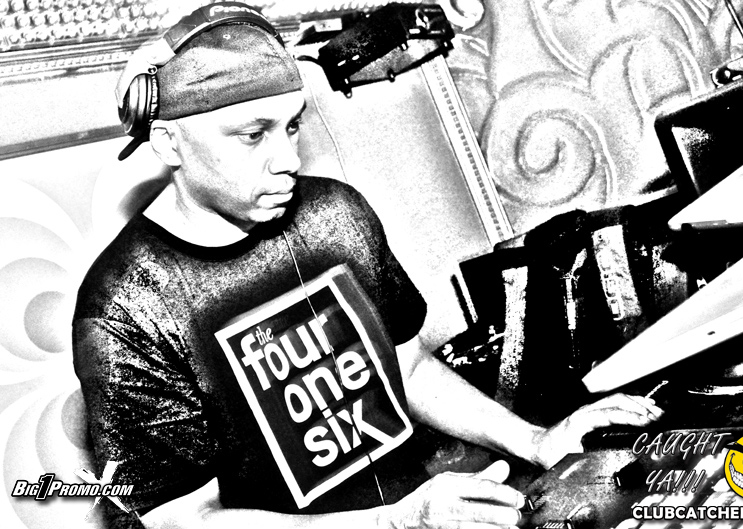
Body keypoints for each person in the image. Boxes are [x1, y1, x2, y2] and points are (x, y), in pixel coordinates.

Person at [72, 4, 662, 529]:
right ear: (168, 143)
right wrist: (394, 523)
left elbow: (406, 367)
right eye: (253, 135)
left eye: (293, 126)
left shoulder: (335, 213)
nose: (287, 159)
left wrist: (537, 441)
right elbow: (183, 519)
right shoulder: (125, 306)